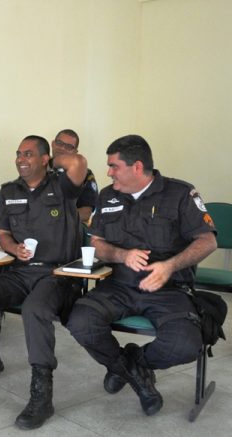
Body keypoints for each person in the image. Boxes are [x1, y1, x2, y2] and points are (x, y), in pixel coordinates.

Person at [66, 134, 217, 417]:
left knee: (184, 344)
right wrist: (122, 255)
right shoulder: (108, 195)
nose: (108, 172)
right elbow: (96, 243)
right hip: (120, 284)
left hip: (169, 288)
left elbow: (207, 241)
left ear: (137, 167)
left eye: (114, 166)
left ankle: (134, 362)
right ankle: (135, 374)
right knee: (80, 321)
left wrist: (169, 266)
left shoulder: (180, 194)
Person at [0, 135, 87, 430]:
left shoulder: (62, 186)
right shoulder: (8, 190)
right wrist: (12, 248)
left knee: (34, 310)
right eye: (18, 154)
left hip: (57, 274)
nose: (20, 159)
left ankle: (42, 394)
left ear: (44, 159)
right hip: (19, 271)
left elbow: (77, 161)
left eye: (28, 154)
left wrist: (53, 157)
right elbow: (3, 233)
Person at [50, 129, 98, 223]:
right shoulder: (39, 168)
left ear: (75, 152)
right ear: (52, 144)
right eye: (59, 143)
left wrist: (54, 218)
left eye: (69, 147)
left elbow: (86, 213)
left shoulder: (85, 174)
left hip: (68, 228)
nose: (62, 148)